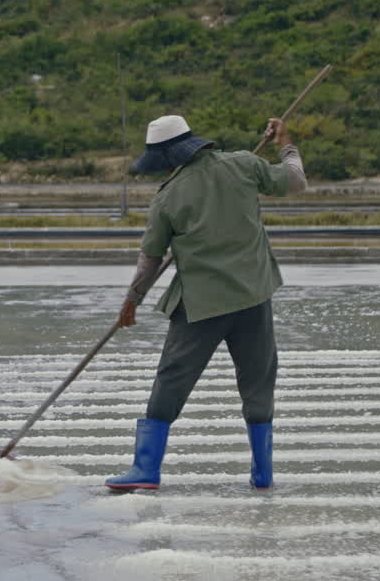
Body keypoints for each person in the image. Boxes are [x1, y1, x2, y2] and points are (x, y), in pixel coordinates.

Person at [106, 114, 307, 491]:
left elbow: (150, 260)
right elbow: (295, 180)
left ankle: (146, 470)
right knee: (259, 382)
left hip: (201, 306)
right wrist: (286, 144)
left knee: (171, 380)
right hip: (253, 298)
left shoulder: (168, 197)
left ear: (166, 159)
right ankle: (263, 474)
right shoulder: (244, 163)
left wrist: (131, 301)